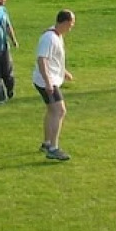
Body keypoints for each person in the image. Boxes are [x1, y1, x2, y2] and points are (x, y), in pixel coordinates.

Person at [33, 10, 76, 162]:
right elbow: (42, 60)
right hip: (46, 81)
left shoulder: (57, 36)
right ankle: (53, 148)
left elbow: (54, 59)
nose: (71, 27)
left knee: (52, 110)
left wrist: (63, 71)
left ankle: (46, 143)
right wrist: (48, 82)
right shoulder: (49, 38)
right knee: (60, 111)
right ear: (64, 22)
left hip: (48, 79)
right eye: (71, 24)